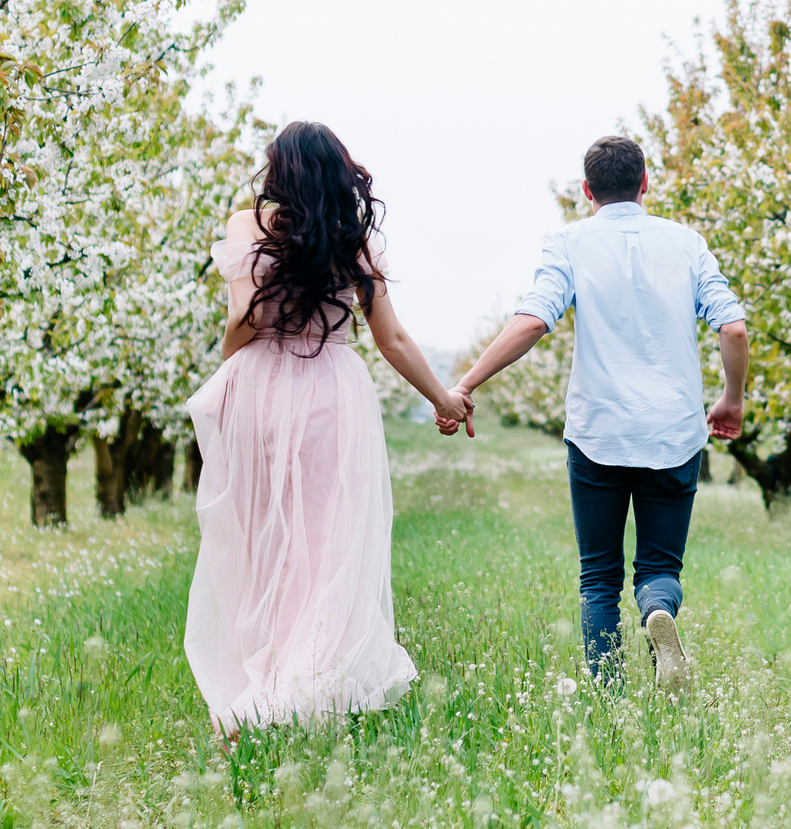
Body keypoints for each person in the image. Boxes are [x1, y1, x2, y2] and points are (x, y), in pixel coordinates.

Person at [184, 121, 472, 734]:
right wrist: (443, 399)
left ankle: (259, 688)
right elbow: (390, 338)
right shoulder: (354, 239)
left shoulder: (247, 227)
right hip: (331, 394)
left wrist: (229, 375)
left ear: (278, 172)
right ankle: (300, 683)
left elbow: (243, 319)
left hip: (260, 385)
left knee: (263, 539)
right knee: (326, 541)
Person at [454, 134, 749, 687]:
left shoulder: (569, 242)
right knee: (660, 567)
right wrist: (731, 400)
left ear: (586, 190)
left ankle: (605, 692)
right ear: (645, 184)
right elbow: (732, 326)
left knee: (598, 577)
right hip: (673, 434)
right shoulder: (687, 243)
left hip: (599, 433)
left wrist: (466, 384)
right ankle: (658, 611)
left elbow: (535, 319)